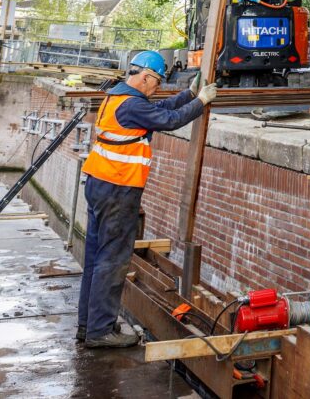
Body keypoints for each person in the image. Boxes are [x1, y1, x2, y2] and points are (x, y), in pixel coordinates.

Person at [77, 50, 218, 348]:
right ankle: (101, 332)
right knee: (112, 260)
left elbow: (162, 108)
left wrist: (188, 94)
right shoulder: (130, 105)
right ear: (145, 76)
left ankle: (88, 325)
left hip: (100, 184)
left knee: (95, 258)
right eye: (157, 81)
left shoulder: (119, 98)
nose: (158, 87)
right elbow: (169, 119)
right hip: (118, 189)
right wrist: (202, 101)